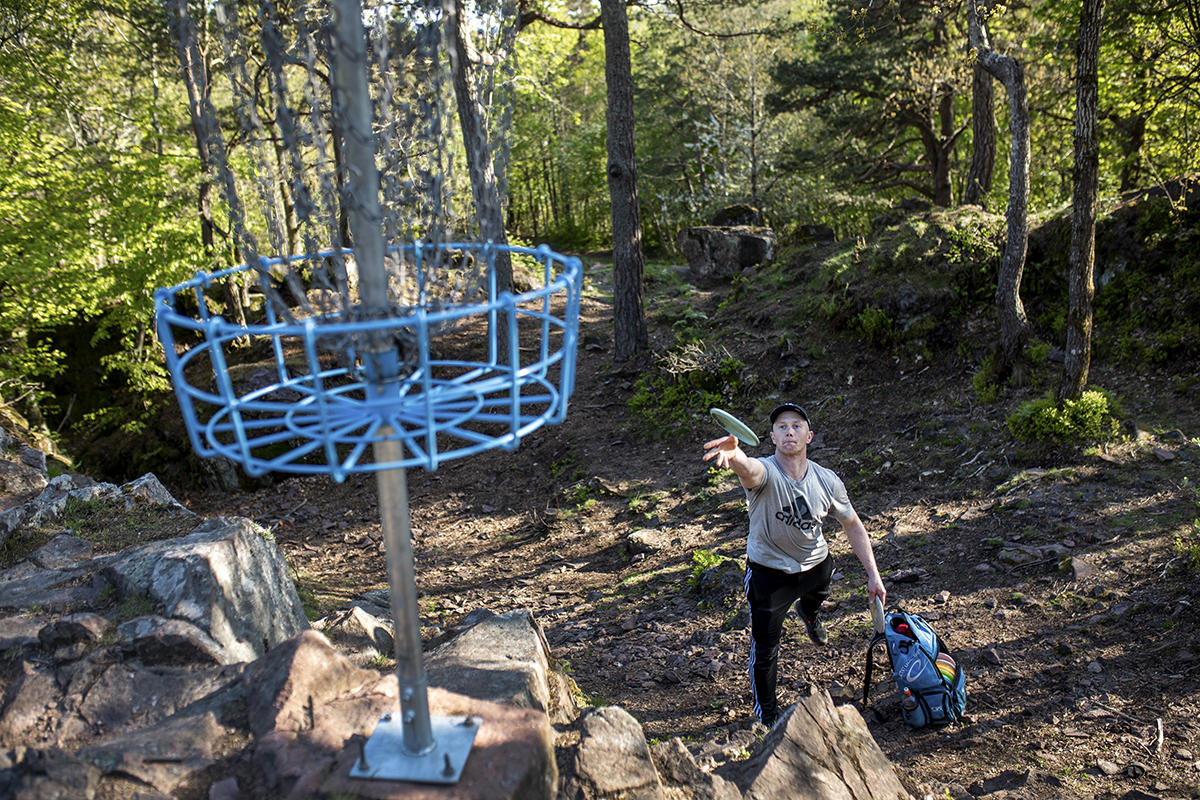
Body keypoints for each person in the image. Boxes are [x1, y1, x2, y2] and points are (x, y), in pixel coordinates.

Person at [702, 403, 886, 728]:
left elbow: (853, 525)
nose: (789, 430)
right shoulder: (766, 472)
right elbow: (749, 470)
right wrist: (735, 456)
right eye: (782, 426)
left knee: (823, 582)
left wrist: (873, 574)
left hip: (815, 565)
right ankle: (768, 718)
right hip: (769, 577)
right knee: (766, 649)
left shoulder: (827, 481)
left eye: (796, 426)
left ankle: (809, 613)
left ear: (809, 436)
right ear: (772, 436)